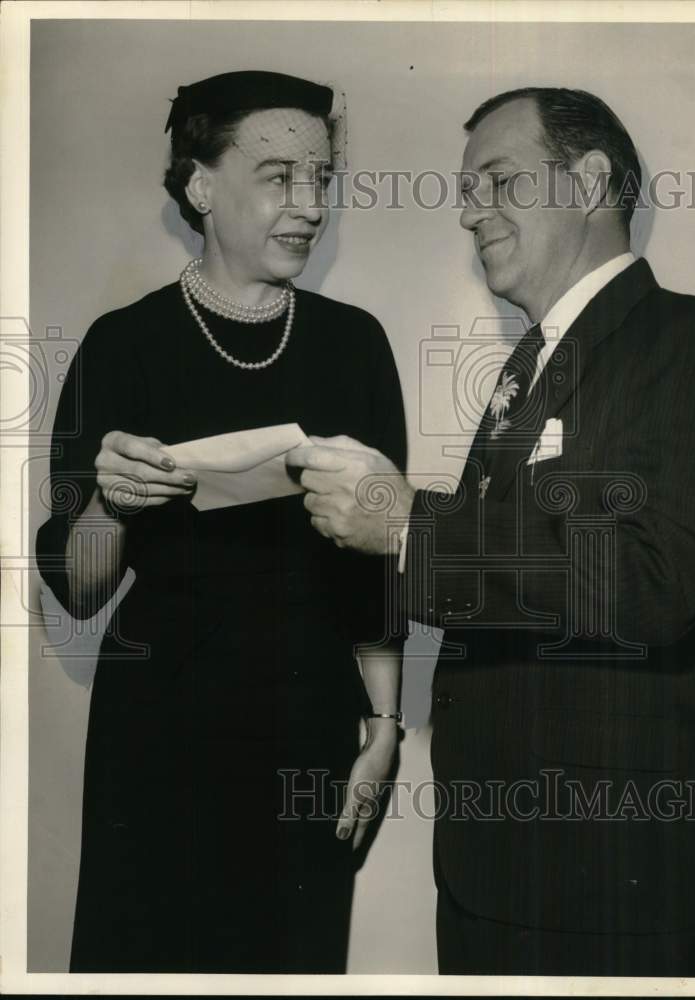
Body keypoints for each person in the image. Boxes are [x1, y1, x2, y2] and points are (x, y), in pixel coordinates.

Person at [288, 87, 695, 976]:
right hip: (489, 874)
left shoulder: (684, 340)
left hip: (603, 886)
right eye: (466, 192)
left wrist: (407, 527)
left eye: (496, 181)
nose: (467, 212)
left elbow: (650, 581)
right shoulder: (526, 364)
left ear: (587, 181)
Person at [36, 70, 406, 974]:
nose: (310, 204)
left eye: (322, 177)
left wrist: (385, 728)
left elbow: (381, 568)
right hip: (159, 734)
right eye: (279, 175)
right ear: (201, 187)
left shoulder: (354, 342)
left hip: (308, 728)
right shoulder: (123, 344)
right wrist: (109, 503)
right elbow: (80, 593)